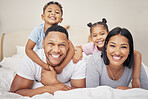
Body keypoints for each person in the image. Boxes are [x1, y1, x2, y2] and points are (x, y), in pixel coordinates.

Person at [10, 25, 86, 97]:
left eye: (61, 45)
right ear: (43, 43)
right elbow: (15, 93)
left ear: (68, 45)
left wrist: (54, 82)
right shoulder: (32, 58)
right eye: (51, 44)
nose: (56, 50)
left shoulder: (77, 62)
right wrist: (49, 89)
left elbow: (82, 94)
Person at [73, 18, 142, 88]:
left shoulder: (124, 52)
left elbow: (137, 54)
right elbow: (79, 48)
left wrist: (135, 78)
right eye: (95, 35)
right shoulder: (93, 50)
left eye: (102, 34)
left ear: (108, 34)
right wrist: (78, 52)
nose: (99, 38)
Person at [25, 1, 74, 74]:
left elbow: (71, 49)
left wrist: (60, 67)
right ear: (43, 16)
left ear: (61, 20)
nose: (53, 13)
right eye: (49, 11)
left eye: (57, 12)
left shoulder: (60, 32)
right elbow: (28, 49)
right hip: (43, 59)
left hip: (56, 58)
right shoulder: (38, 30)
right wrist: (44, 65)